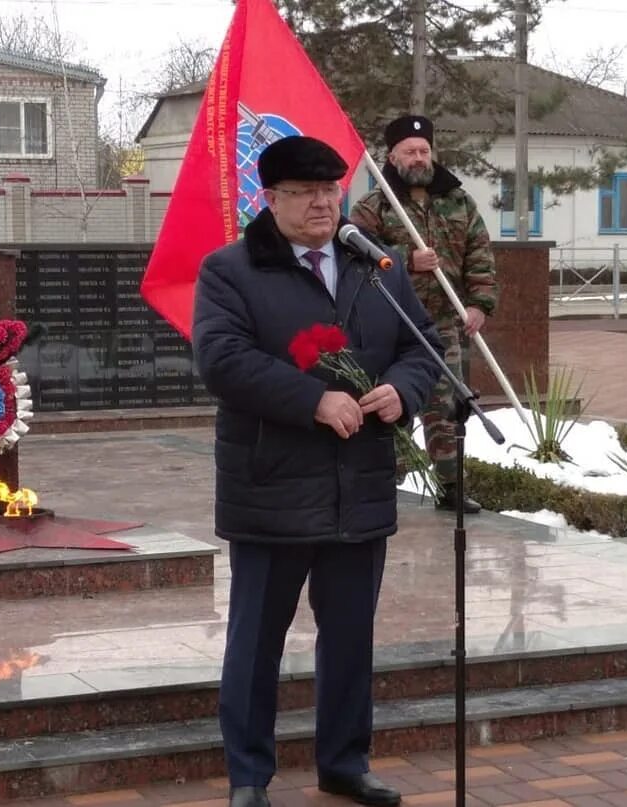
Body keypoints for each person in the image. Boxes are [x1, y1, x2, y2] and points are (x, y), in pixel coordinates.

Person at [193, 135, 443, 807]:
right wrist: (313, 399)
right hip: (272, 485)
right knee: (256, 642)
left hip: (358, 485)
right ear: (269, 199)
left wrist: (403, 389)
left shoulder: (376, 265)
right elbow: (222, 360)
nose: (321, 204)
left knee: (352, 637)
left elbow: (425, 347)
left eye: (330, 190)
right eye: (304, 193)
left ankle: (344, 762)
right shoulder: (231, 270)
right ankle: (249, 777)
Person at [350, 114, 499, 514]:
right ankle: (387, 484)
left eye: (424, 150)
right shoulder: (374, 206)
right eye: (409, 151)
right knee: (392, 404)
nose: (418, 158)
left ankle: (450, 485)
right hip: (391, 325)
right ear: (392, 155)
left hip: (442, 325)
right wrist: (406, 260)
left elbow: (480, 255)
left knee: (446, 406)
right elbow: (354, 257)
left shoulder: (458, 201)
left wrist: (479, 304)